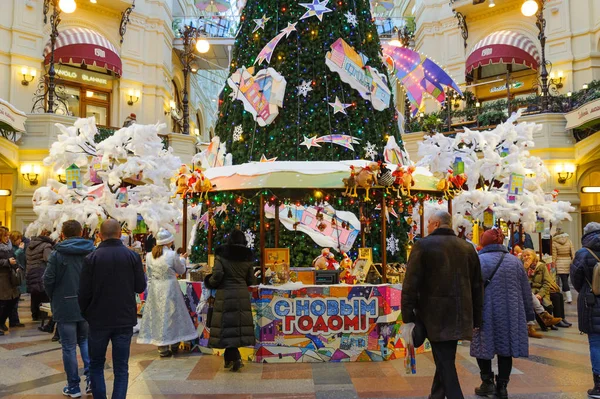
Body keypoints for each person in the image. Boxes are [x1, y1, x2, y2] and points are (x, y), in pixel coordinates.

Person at [401, 211, 483, 399]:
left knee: (445, 361)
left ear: (436, 224)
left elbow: (410, 284)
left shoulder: (423, 245)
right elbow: (477, 285)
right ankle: (436, 395)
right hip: (460, 313)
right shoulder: (467, 247)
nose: (427, 227)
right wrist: (477, 317)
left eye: (429, 223)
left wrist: (408, 316)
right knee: (445, 358)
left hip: (434, 315)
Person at [79, 219, 146, 399]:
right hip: (124, 318)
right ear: (120, 234)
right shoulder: (132, 257)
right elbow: (140, 287)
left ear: (100, 235)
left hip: (98, 319)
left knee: (96, 364)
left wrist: (87, 313)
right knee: (121, 367)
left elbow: (83, 292)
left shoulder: (91, 258)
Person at [470, 228, 534, 398]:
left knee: (483, 347)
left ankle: (487, 382)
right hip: (511, 313)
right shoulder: (515, 262)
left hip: (485, 312)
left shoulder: (479, 260)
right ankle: (502, 386)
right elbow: (526, 291)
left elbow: (472, 288)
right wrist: (529, 316)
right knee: (506, 349)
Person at [44, 220, 95, 397]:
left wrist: (54, 296)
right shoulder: (92, 251)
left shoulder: (57, 254)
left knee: (68, 346)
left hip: (64, 304)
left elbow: (48, 279)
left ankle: (73, 387)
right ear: (81, 232)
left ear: (63, 234)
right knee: (86, 341)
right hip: (87, 304)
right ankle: (91, 382)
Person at [137, 229, 197, 356]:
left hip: (155, 288)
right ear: (169, 241)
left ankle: (162, 347)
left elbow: (149, 274)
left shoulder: (149, 256)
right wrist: (182, 259)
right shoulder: (171, 254)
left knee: (159, 317)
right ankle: (174, 343)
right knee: (172, 315)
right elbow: (180, 270)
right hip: (170, 288)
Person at [204, 229, 256, 372]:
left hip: (225, 294)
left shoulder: (222, 255)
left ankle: (235, 358)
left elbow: (217, 275)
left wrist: (209, 281)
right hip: (241, 294)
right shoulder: (247, 256)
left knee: (227, 327)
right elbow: (250, 279)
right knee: (236, 327)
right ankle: (230, 359)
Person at [571, 222, 600, 398]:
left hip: (591, 302)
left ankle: (598, 386)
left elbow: (575, 280)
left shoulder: (582, 253)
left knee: (596, 343)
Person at [522, 249, 571, 328]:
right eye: (524, 256)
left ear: (533, 256)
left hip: (542, 289)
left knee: (558, 295)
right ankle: (549, 321)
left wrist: (540, 294)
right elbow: (524, 283)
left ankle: (561, 318)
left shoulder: (541, 266)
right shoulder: (522, 267)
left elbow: (547, 282)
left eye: (528, 255)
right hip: (530, 291)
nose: (526, 257)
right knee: (553, 298)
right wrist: (525, 269)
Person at [26, 230, 54, 321]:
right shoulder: (46, 245)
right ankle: (43, 314)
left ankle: (35, 314)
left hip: (31, 271)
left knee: (34, 294)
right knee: (44, 293)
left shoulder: (30, 244)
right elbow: (49, 259)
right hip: (42, 271)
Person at [0, 228, 20, 336]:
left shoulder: (9, 247)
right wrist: (7, 262)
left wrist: (16, 267)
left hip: (11, 278)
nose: (8, 238)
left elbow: (14, 258)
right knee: (2, 303)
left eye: (8, 235)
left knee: (13, 300)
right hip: (2, 279)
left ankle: (2, 321)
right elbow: (7, 260)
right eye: (5, 236)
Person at [8, 230, 26, 328]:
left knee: (16, 299)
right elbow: (14, 257)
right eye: (18, 238)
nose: (20, 240)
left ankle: (14, 320)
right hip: (15, 276)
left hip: (20, 274)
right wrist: (20, 250)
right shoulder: (12, 248)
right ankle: (14, 320)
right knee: (14, 300)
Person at [552, 228, 575, 303]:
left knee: (563, 280)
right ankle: (565, 296)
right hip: (568, 261)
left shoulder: (554, 242)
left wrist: (553, 263)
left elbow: (554, 255)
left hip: (559, 262)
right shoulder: (569, 241)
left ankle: (569, 297)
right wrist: (573, 260)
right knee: (565, 280)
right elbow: (573, 253)